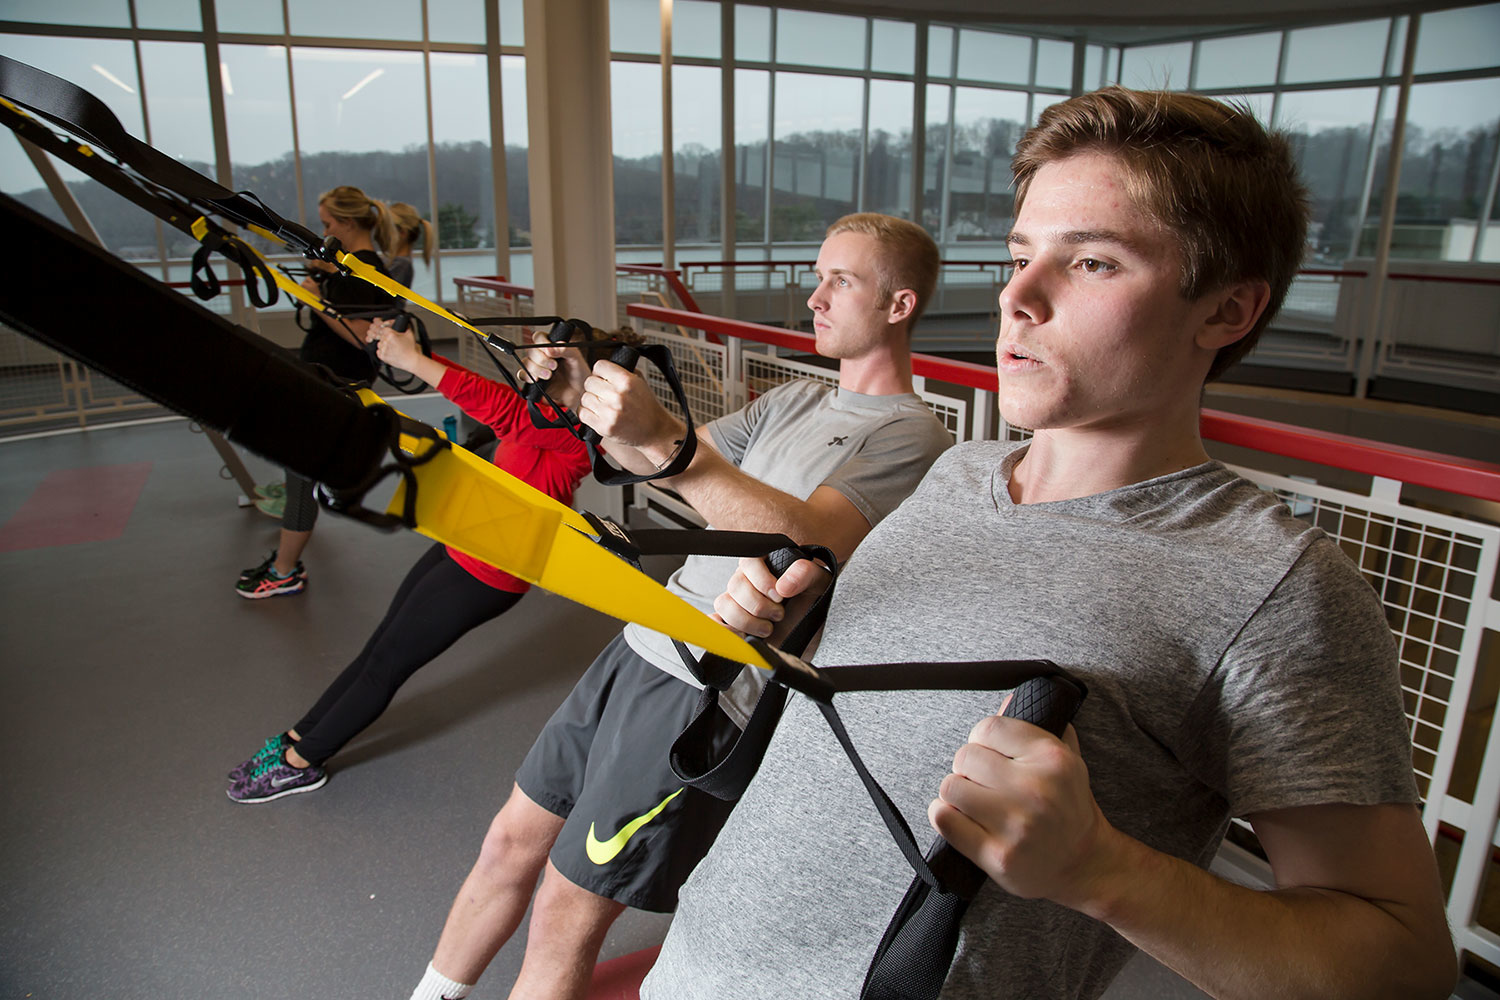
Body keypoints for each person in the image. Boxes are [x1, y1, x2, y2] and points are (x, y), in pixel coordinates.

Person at [642, 88, 1457, 1000]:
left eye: (1095, 263)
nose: (1018, 298)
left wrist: (1107, 872)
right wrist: (784, 633)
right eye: (1021, 255)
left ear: (1227, 312)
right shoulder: (957, 474)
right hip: (699, 965)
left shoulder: (1273, 583)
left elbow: (1405, 965)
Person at [405, 213, 956, 1000]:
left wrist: (665, 439)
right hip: (639, 641)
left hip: (709, 686)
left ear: (899, 306)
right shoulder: (795, 399)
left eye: (841, 280)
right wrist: (581, 394)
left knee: (565, 909)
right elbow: (658, 468)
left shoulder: (915, 439)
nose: (815, 297)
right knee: (508, 844)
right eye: (818, 274)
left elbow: (810, 540)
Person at [226, 320, 609, 802]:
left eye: (563, 366)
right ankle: (298, 737)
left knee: (386, 664)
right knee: (377, 647)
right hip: (461, 544)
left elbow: (504, 410)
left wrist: (412, 361)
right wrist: (409, 353)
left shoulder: (580, 438)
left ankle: (302, 763)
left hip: (489, 574)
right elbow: (499, 400)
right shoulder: (547, 412)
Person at [237, 184, 400, 598]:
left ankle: (285, 570)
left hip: (340, 382)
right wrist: (324, 278)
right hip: (322, 376)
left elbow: (364, 336)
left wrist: (317, 300)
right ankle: (285, 563)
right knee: (298, 471)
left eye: (328, 223)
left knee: (301, 476)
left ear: (347, 223)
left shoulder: (370, 269)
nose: (323, 229)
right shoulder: (350, 267)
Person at [384, 201, 435, 289]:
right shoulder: (396, 262)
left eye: (387, 229)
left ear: (402, 233)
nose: (383, 234)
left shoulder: (401, 265)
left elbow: (381, 295)